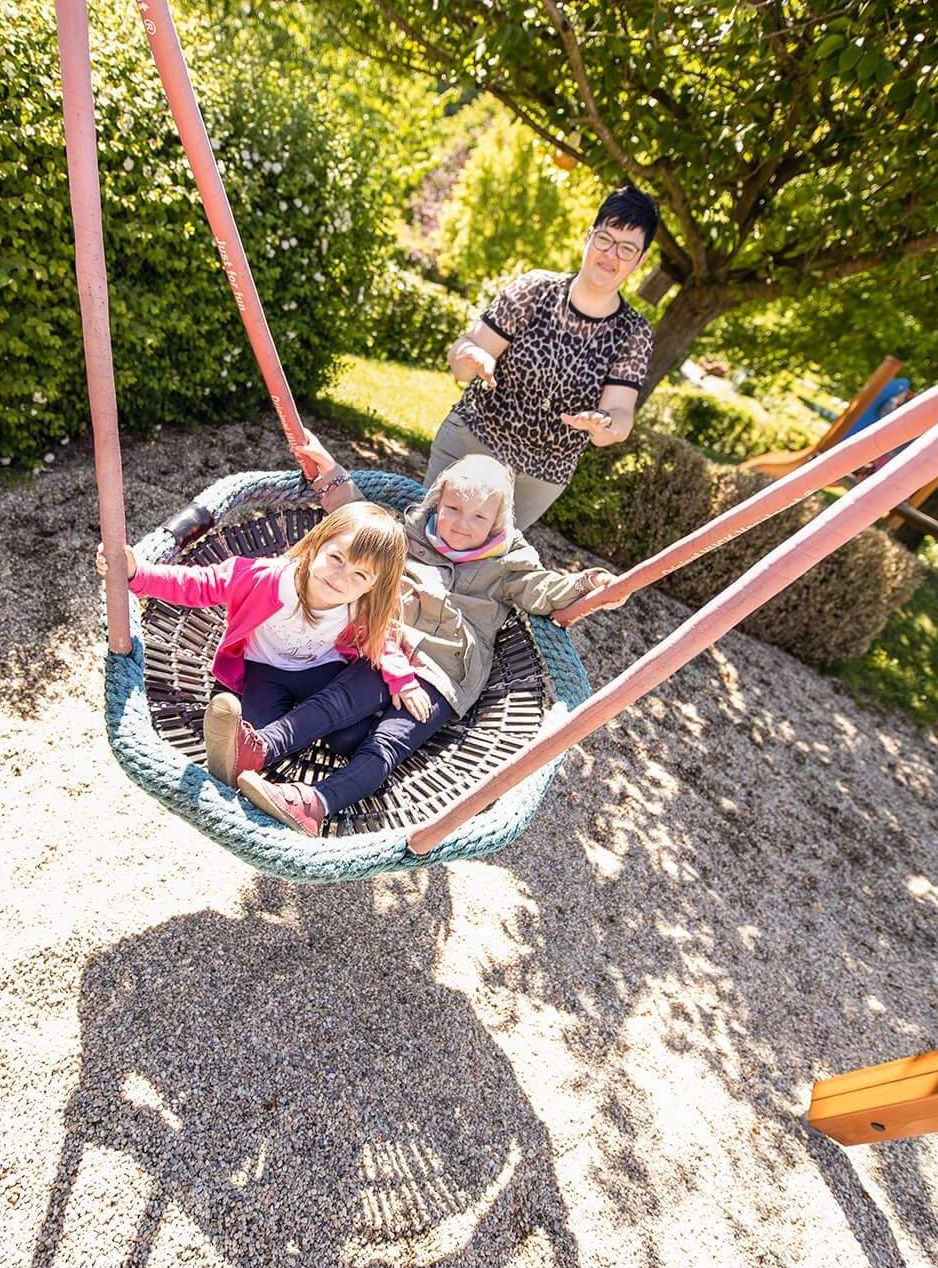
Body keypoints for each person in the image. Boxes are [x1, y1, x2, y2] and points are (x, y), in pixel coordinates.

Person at [208, 433, 624, 836]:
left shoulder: (508, 564)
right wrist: (330, 472)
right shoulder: (410, 535)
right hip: (388, 646)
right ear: (437, 501)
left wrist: (586, 586)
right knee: (340, 700)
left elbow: (544, 590)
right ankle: (260, 747)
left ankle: (314, 804)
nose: (462, 524)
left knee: (388, 746)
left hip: (444, 672)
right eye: (454, 509)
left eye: (479, 517)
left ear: (498, 522)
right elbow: (358, 520)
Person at [98, 502, 416, 784]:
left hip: (322, 670)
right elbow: (197, 584)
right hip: (266, 671)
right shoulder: (263, 579)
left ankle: (335, 737)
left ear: (373, 585)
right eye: (336, 558)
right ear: (317, 544)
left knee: (350, 739)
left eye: (360, 575)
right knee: (255, 734)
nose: (341, 577)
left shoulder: (361, 606)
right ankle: (286, 738)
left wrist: (401, 679)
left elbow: (383, 636)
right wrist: (137, 574)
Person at [430, 186, 660, 531]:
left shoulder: (633, 333)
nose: (611, 255)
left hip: (538, 478)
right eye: (605, 239)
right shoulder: (534, 290)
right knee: (422, 539)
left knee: (474, 573)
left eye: (626, 249)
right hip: (471, 442)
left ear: (640, 260)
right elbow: (462, 358)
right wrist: (473, 357)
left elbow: (621, 414)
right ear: (589, 237)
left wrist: (604, 424)